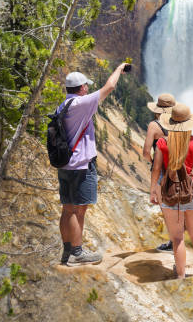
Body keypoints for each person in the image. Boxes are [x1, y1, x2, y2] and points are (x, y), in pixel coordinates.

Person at [58, 63, 127, 266]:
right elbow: (110, 87)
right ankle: (77, 253)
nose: (87, 88)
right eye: (86, 86)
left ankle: (67, 252)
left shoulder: (63, 105)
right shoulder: (82, 104)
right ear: (81, 88)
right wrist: (119, 69)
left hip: (65, 164)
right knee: (78, 210)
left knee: (67, 209)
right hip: (80, 165)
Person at [150, 103, 193, 279]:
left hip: (170, 190)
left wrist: (153, 190)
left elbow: (157, 169)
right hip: (192, 189)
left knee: (177, 238)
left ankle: (180, 275)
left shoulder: (162, 143)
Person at [143, 93, 176, 252]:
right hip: (180, 170)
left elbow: (145, 152)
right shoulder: (179, 123)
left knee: (166, 209)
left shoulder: (154, 126)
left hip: (162, 171)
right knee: (177, 207)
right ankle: (179, 241)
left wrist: (153, 161)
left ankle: (173, 243)